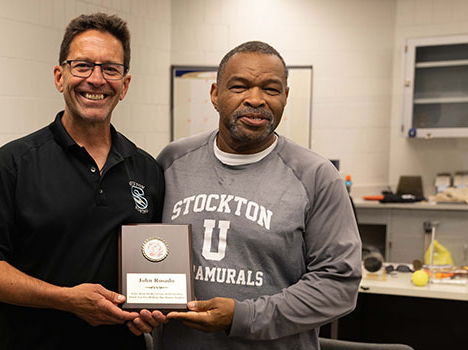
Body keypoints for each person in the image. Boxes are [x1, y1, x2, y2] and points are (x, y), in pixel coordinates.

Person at [0, 13, 164, 349]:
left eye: (110, 69)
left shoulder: (145, 169)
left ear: (125, 85)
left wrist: (153, 309)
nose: (96, 79)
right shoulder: (14, 163)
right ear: (59, 76)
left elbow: (155, 265)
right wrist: (66, 299)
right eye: (82, 66)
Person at [155, 41, 362, 349]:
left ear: (286, 97)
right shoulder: (172, 160)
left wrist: (243, 316)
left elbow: (338, 286)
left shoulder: (316, 176)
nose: (256, 99)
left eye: (271, 89)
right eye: (239, 87)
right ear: (215, 94)